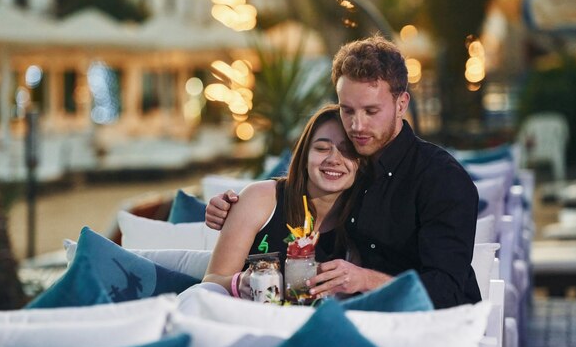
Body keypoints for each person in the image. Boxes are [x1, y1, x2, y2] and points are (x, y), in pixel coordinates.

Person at [205, 35, 481, 309]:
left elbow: (447, 292)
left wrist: (365, 280)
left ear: (401, 104)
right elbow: (302, 187)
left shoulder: (442, 178)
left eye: (371, 111)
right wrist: (233, 205)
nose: (357, 125)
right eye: (347, 110)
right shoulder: (355, 167)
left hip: (432, 330)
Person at [202, 104, 362, 298]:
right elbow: (212, 279)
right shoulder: (261, 198)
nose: (333, 159)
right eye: (321, 148)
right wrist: (240, 283)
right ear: (304, 156)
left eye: (348, 151)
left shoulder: (365, 219)